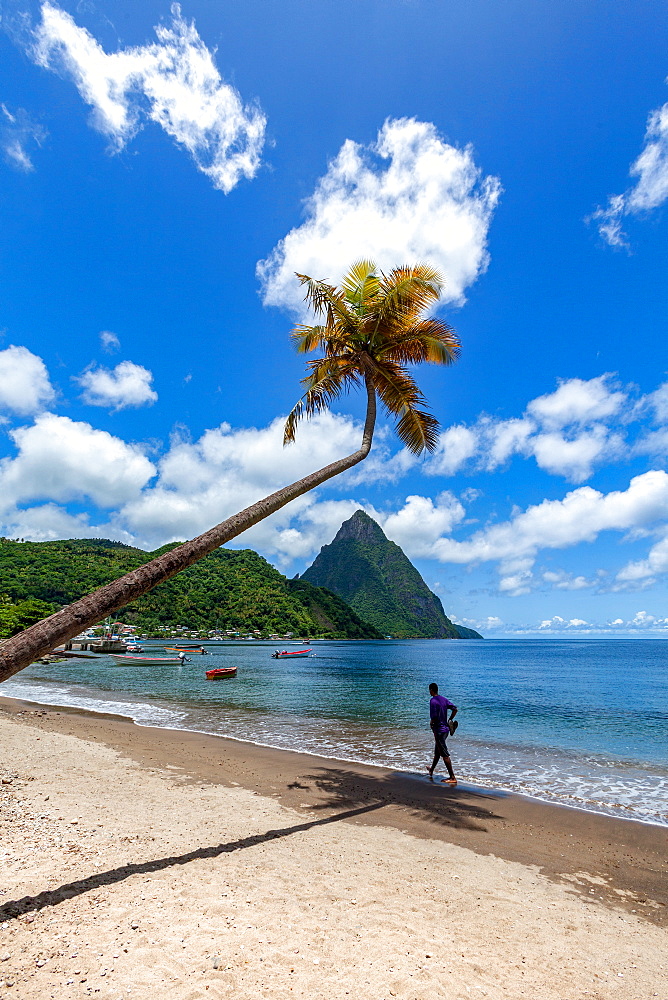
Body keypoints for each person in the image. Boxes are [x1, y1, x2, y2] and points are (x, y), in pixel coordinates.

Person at [427, 682, 458, 785]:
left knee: (444, 754)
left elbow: (434, 716)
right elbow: (455, 709)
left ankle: (452, 777)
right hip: (446, 730)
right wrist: (450, 719)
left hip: (439, 730)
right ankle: (431, 770)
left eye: (429, 690)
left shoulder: (433, 701)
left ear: (431, 690)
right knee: (437, 752)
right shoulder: (443, 699)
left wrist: (431, 723)